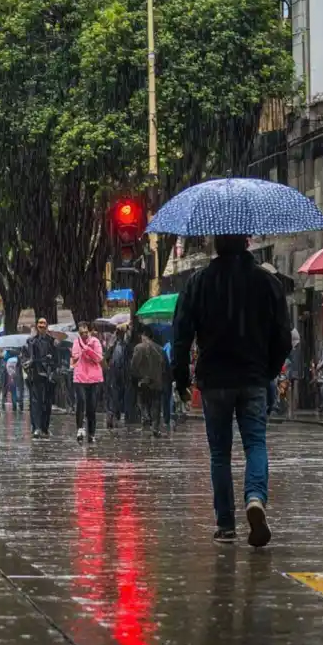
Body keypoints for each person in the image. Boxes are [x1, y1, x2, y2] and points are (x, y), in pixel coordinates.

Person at [172, 234, 291, 548]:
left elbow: (181, 334)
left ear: (216, 244)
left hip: (214, 380)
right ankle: (255, 498)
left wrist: (181, 378)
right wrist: (268, 370)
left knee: (220, 454)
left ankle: (225, 525)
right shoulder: (267, 283)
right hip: (253, 377)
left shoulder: (198, 283)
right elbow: (283, 336)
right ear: (247, 243)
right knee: (255, 443)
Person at [23, 318, 58, 438]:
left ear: (47, 326)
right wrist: (27, 364)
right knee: (35, 402)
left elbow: (56, 359)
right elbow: (25, 356)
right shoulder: (31, 341)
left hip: (48, 375)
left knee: (47, 403)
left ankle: (44, 427)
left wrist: (52, 365)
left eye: (44, 323)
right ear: (37, 326)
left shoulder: (52, 341)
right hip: (35, 374)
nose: (41, 325)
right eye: (39, 323)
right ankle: (36, 427)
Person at [131, 324, 167, 438]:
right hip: (157, 382)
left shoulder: (139, 347)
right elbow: (164, 366)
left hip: (144, 382)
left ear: (144, 335)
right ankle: (155, 427)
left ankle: (146, 419)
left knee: (142, 402)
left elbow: (134, 365)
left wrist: (136, 378)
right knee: (156, 405)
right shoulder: (160, 349)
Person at [71, 321, 103, 443]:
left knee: (91, 406)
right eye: (81, 333)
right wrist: (79, 352)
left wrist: (87, 349)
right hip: (80, 377)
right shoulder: (76, 342)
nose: (83, 335)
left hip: (94, 378)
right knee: (81, 401)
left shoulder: (95, 342)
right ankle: (80, 428)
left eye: (85, 332)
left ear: (89, 331)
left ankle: (91, 433)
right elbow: (74, 357)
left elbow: (98, 358)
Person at [104, 327, 130, 429]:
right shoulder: (117, 346)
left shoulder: (122, 346)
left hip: (118, 375)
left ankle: (113, 415)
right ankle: (113, 416)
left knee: (116, 396)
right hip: (115, 374)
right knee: (115, 396)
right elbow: (106, 359)